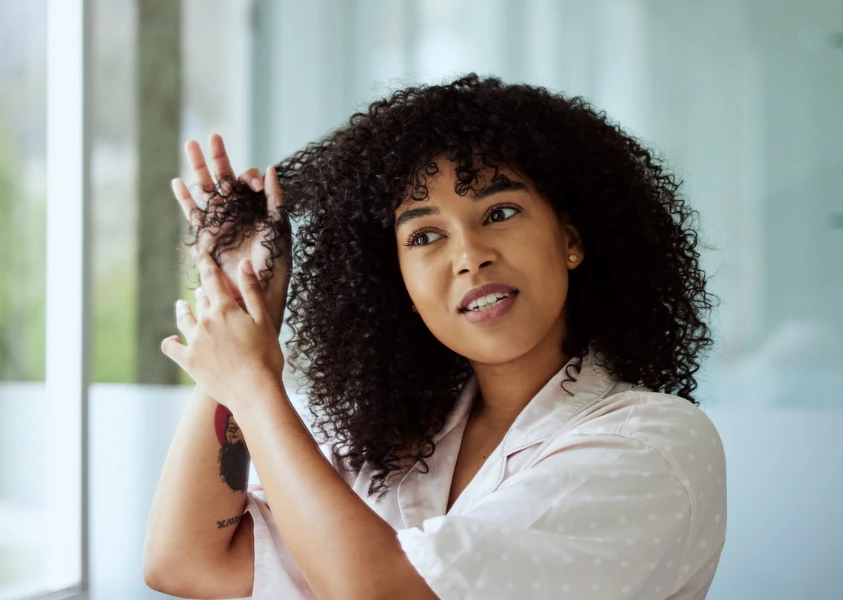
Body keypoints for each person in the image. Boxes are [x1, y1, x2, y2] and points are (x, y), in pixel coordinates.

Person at [143, 74, 726, 600]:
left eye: (499, 213)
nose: (469, 257)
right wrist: (243, 313)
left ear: (570, 238)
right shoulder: (395, 447)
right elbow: (187, 562)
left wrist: (252, 385)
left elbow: (386, 591)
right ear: (397, 280)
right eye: (424, 236)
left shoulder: (652, 444)